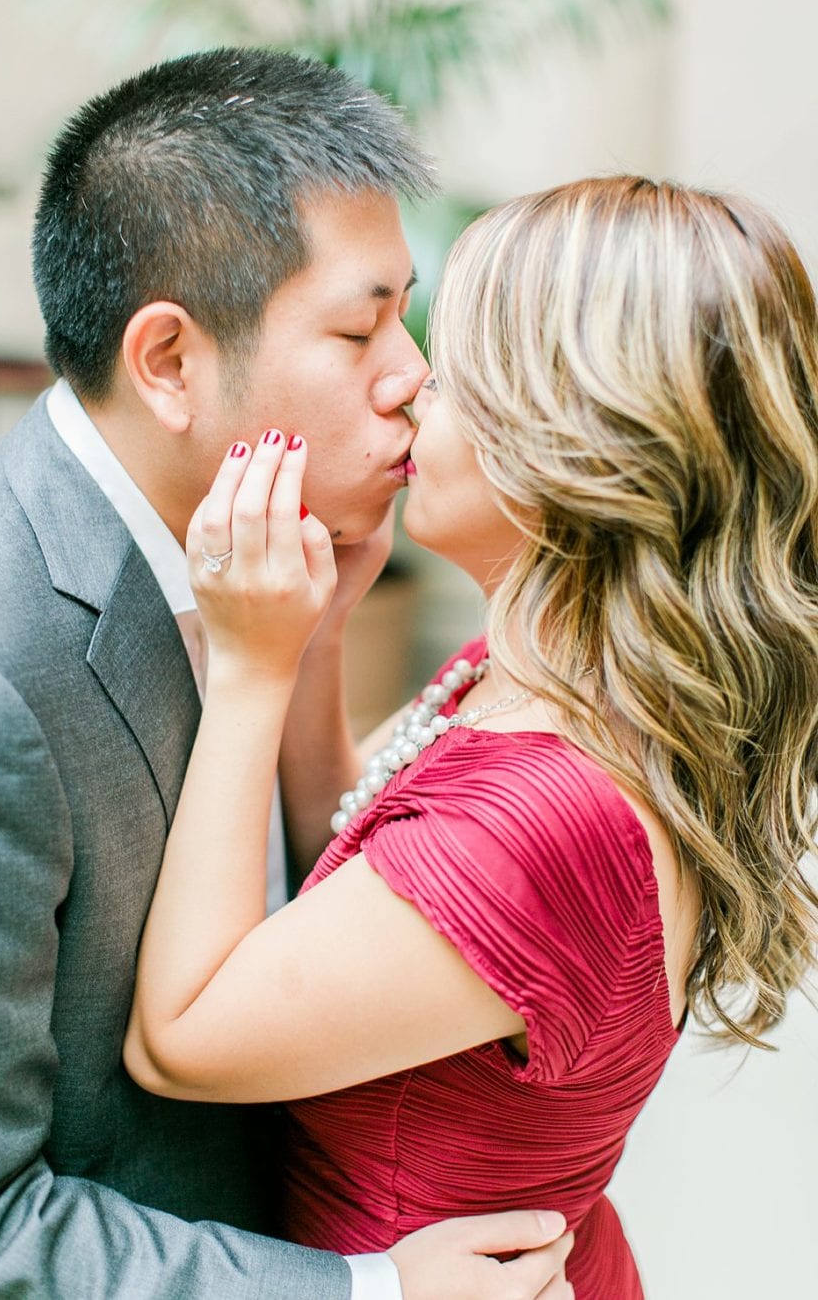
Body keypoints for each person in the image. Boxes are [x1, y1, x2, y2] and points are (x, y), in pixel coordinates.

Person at [0, 47, 575, 1299]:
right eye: (357, 325)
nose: (414, 374)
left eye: (407, 310)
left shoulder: (266, 562)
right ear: (170, 361)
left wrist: (310, 645)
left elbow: (309, 902)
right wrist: (371, 1291)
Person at [130, 176, 818, 1298]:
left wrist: (248, 665)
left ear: (571, 450)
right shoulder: (560, 674)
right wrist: (316, 642)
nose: (406, 392)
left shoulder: (551, 815)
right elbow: (366, 858)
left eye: (452, 376)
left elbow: (182, 1034)